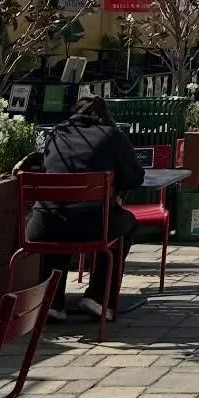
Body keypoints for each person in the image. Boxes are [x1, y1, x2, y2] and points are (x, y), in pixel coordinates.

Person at [26, 95, 146, 321]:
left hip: (44, 225)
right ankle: (99, 298)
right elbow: (136, 177)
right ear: (104, 116)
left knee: (60, 214)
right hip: (93, 226)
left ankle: (52, 302)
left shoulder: (56, 134)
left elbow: (45, 170)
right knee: (126, 224)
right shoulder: (112, 136)